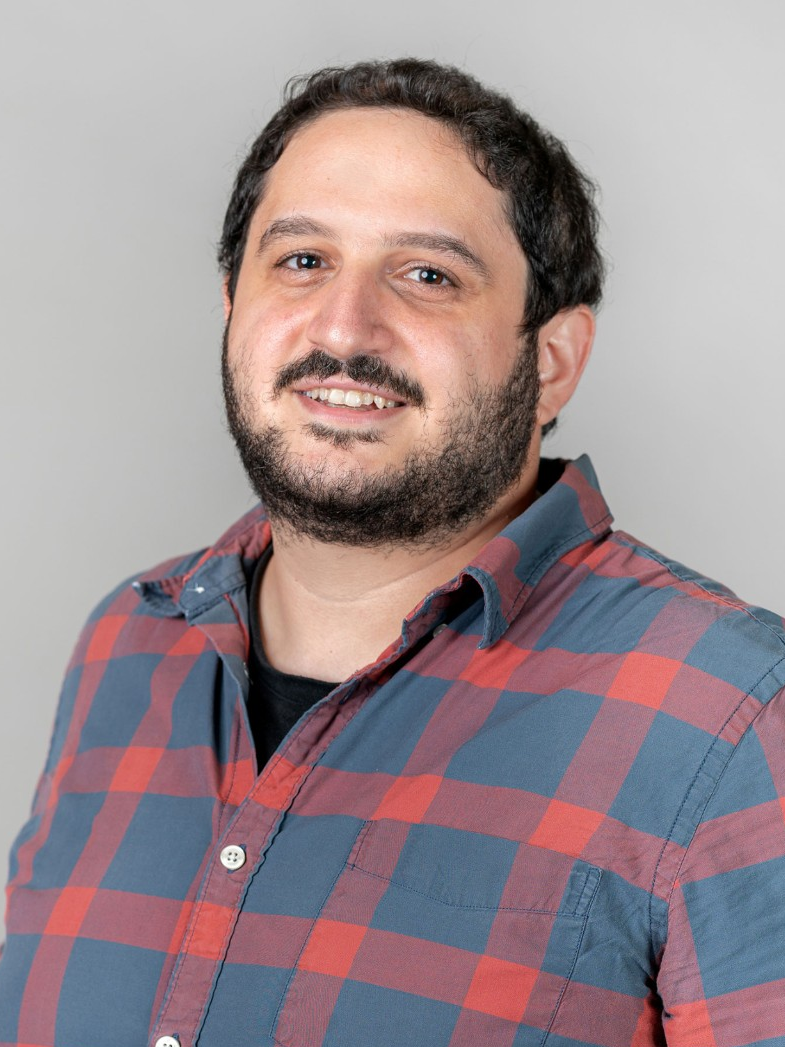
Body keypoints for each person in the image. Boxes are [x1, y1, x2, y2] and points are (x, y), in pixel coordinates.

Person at [1, 57, 784, 1047]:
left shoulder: (729, 714)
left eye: (427, 276)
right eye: (301, 261)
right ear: (232, 308)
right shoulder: (129, 645)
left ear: (550, 362)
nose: (343, 326)